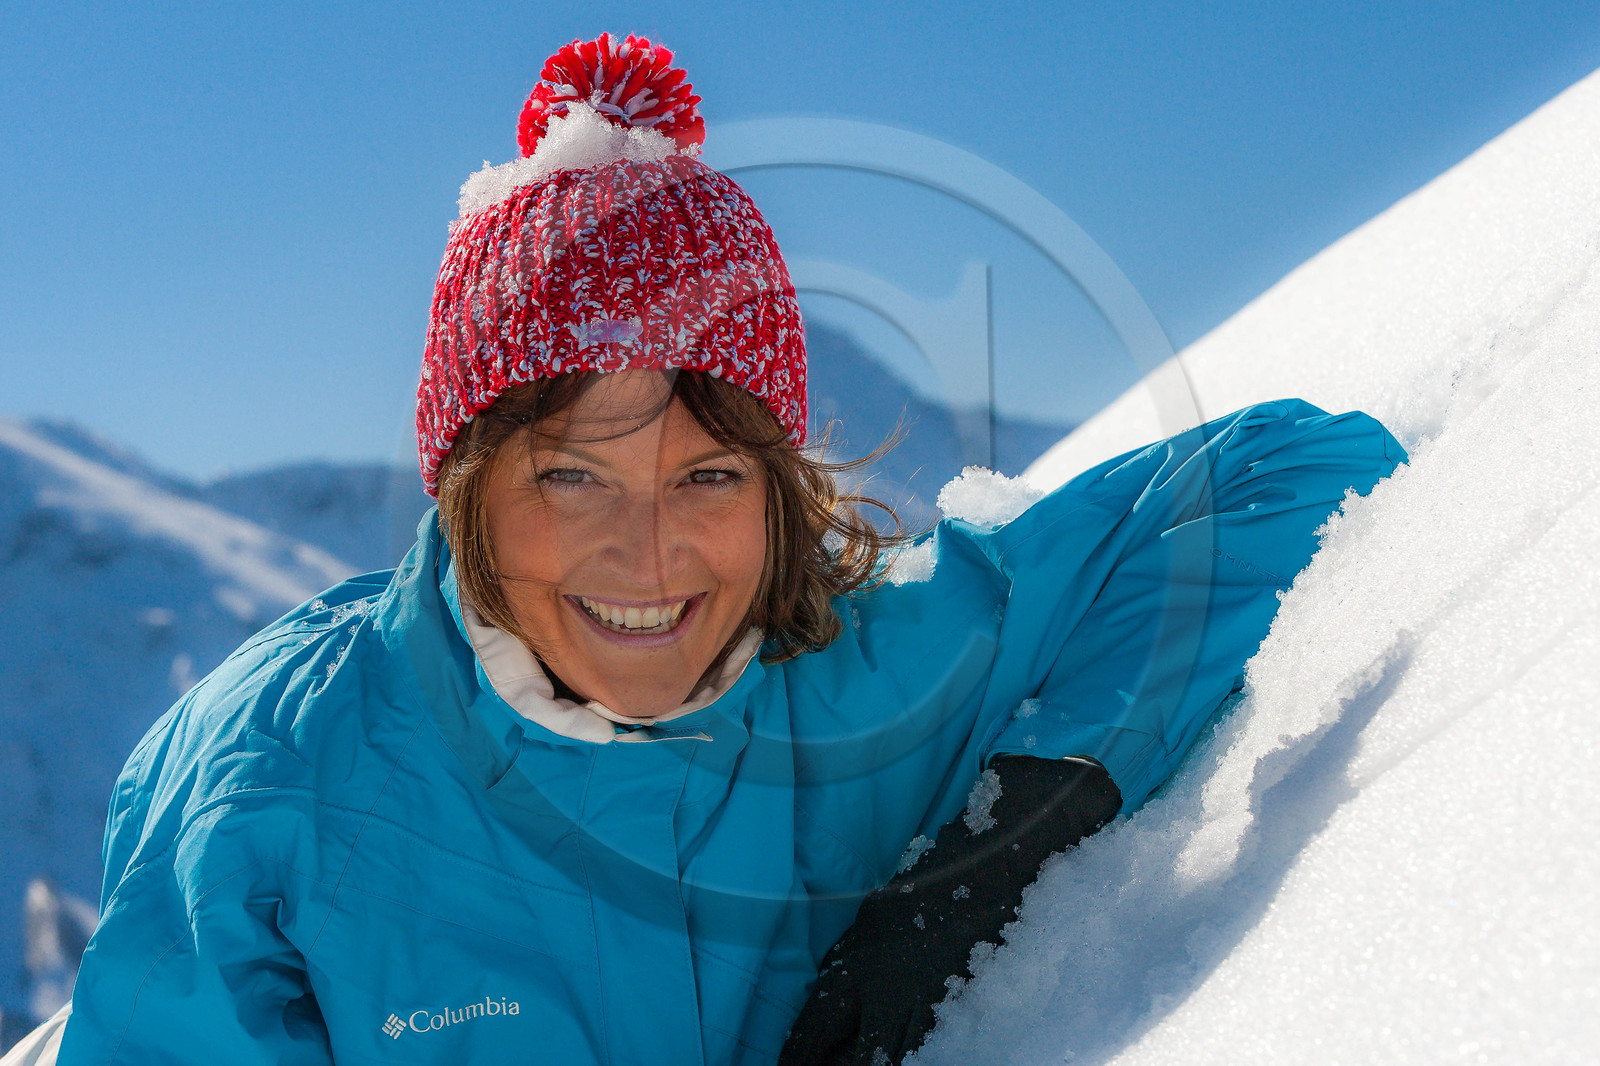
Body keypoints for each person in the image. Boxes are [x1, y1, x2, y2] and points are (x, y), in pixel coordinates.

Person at [13, 31, 1407, 1066]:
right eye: (571, 473)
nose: (650, 550)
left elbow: (1291, 474)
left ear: (778, 490)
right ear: (466, 488)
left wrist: (997, 851)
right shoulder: (283, 780)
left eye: (709, 472)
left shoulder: (857, 679)